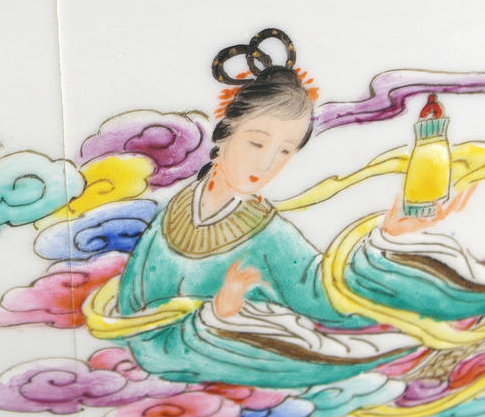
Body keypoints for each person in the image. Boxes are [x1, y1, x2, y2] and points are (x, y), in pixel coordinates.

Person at [94, 29, 485, 389]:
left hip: (233, 339)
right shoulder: (175, 212)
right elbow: (137, 312)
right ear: (225, 135)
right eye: (256, 143)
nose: (267, 164)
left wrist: (386, 240)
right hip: (182, 345)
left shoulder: (267, 232)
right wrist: (215, 313)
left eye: (284, 151)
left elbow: (319, 295)